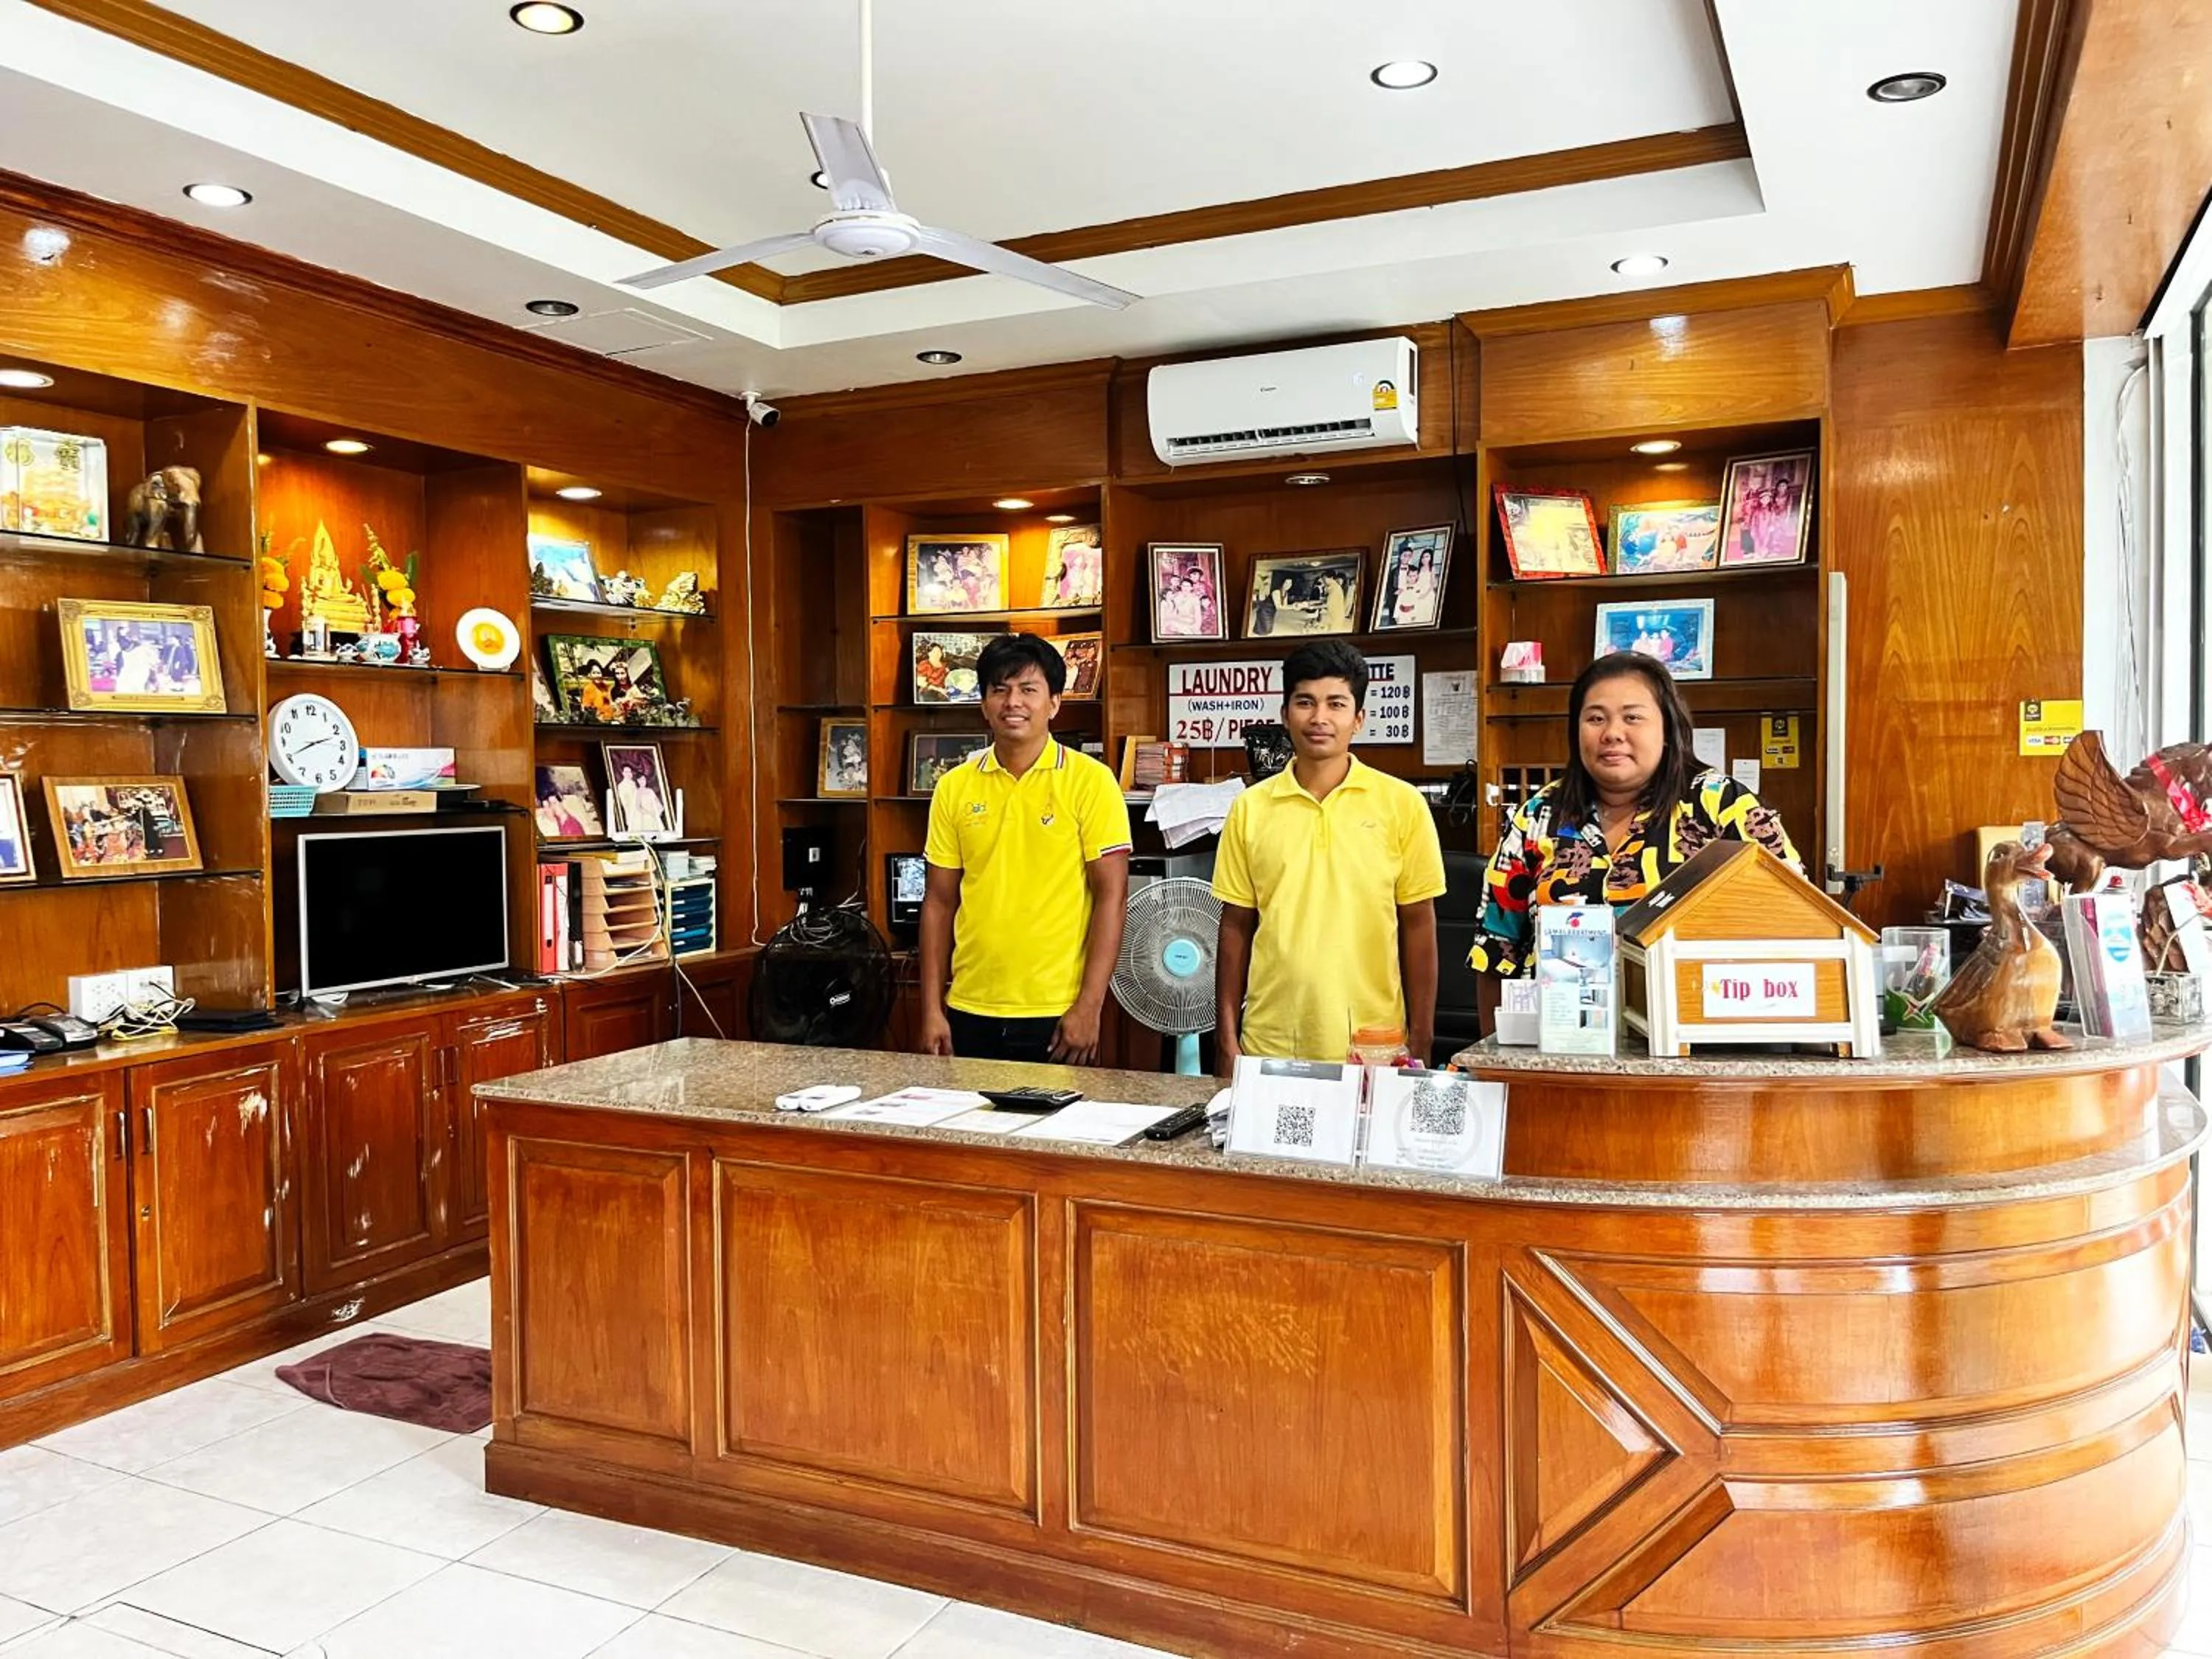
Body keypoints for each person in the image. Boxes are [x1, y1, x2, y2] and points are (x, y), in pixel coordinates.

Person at [1468, 651, 1801, 979]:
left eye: (1632, 717)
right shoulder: (1537, 816)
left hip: (1697, 1023)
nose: (1612, 733)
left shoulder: (1721, 805)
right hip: (1559, 1028)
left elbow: (1795, 918)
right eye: (1596, 718)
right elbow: (1496, 953)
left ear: (1668, 729)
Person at [1212, 640, 1445, 1071]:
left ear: (1358, 718)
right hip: (1271, 1042)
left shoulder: (1402, 804)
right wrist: (1226, 1038)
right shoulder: (1250, 808)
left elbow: (1419, 925)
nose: (1320, 718)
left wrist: (1423, 1038)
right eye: (1305, 702)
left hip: (1373, 1047)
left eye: (1336, 704)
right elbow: (1235, 928)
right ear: (1285, 714)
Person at [919, 633, 1132, 1063]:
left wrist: (1089, 1006)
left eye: (1028, 689)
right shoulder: (953, 787)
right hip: (968, 1006)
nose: (1012, 702)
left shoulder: (1091, 781)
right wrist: (930, 1009)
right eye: (1000, 689)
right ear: (983, 702)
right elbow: (939, 903)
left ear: (1054, 702)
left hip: (1056, 1012)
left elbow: (1113, 897)